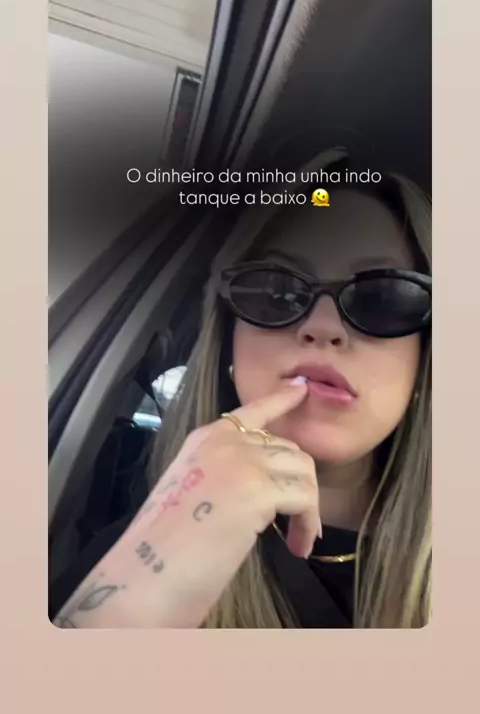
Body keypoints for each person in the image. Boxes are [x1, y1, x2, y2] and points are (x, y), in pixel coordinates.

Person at [50, 150, 431, 629]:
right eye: (274, 289)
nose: (323, 326)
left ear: (425, 360)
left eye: (383, 298)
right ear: (229, 344)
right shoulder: (133, 553)